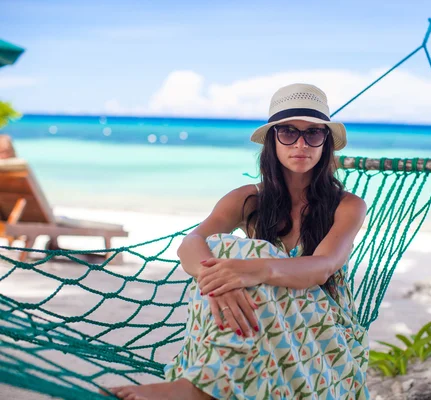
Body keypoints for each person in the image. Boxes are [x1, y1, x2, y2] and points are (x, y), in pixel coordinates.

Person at [107, 83, 370, 400]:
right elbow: (190, 243)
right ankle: (202, 386)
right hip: (261, 332)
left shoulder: (348, 205)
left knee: (244, 254)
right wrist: (218, 280)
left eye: (313, 134)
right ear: (272, 140)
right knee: (221, 251)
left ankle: (196, 390)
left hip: (324, 339)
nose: (301, 144)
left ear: (325, 142)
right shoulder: (247, 199)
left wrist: (256, 270)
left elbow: (323, 266)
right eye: (288, 132)